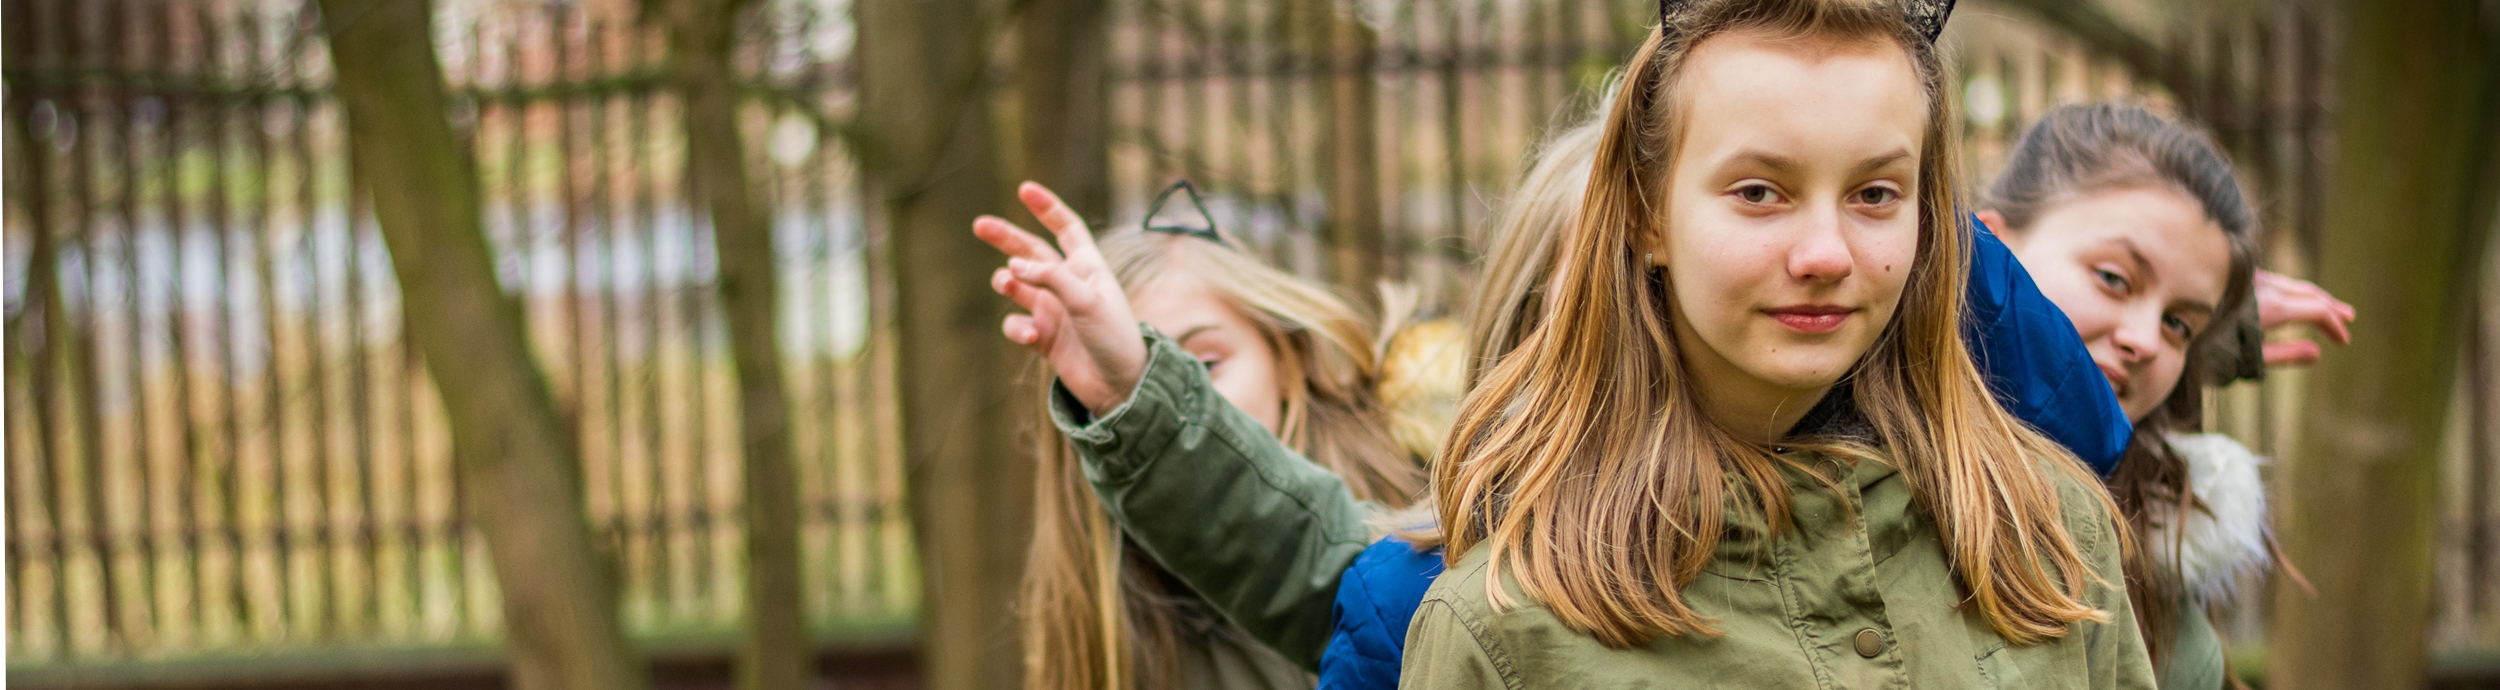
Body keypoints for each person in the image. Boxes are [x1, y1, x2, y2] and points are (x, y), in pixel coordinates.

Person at [1008, 188, 1427, 690]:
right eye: (1127, 383)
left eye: (1205, 364)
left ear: (1285, 360)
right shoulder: (1108, 622)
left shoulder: (1430, 503)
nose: (1189, 394)